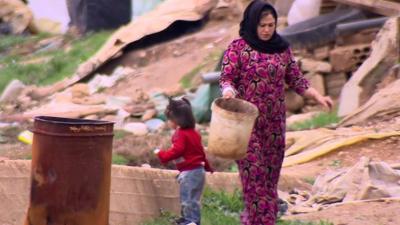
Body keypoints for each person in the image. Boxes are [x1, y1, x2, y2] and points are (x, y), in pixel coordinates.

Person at [219, 1, 333, 224]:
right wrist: (229, 91)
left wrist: (318, 96)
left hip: (274, 126)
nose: (267, 30)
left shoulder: (282, 49)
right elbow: (227, 77)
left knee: (270, 182)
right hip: (246, 124)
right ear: (253, 24)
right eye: (262, 25)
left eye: (271, 25)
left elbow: (297, 80)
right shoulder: (238, 48)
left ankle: (257, 221)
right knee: (254, 179)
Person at [154, 97, 213, 225]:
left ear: (176, 120)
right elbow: (200, 152)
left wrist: (162, 154)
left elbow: (177, 150)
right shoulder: (194, 133)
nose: (169, 122)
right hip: (199, 171)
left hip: (189, 172)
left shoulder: (181, 133)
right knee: (193, 199)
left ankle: (191, 221)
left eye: (169, 119)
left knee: (187, 199)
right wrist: (207, 167)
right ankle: (188, 219)